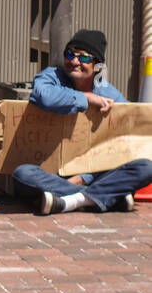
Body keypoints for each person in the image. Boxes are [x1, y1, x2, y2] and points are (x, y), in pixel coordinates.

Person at [11, 29, 152, 214]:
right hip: (51, 172)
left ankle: (69, 201)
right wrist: (85, 98)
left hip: (93, 175)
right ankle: (103, 199)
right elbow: (43, 96)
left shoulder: (109, 94)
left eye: (84, 58)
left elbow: (125, 141)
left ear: (98, 67)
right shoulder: (51, 76)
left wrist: (83, 178)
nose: (75, 62)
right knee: (22, 174)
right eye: (70, 55)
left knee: (145, 167)